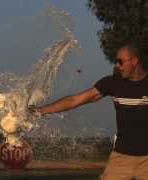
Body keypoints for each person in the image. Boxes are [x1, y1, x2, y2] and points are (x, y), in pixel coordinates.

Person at [30, 43, 148, 180]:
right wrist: (40, 111)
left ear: (134, 61)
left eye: (121, 62)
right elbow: (75, 100)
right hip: (121, 158)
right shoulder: (113, 83)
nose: (117, 66)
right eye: (116, 62)